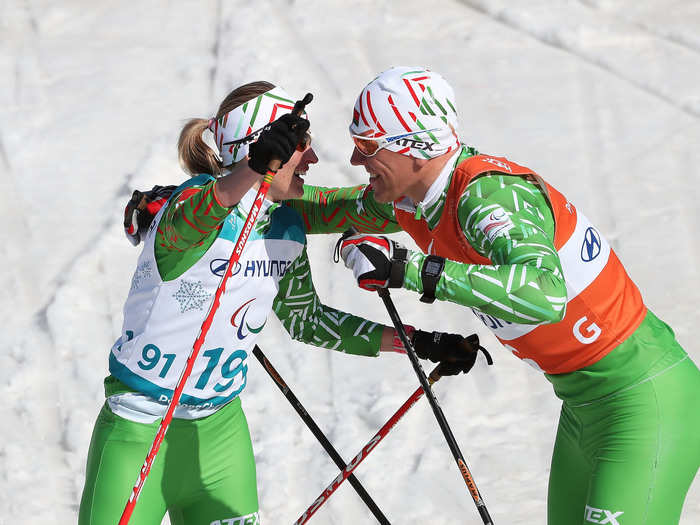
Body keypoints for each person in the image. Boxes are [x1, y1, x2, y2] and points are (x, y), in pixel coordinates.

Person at [288, 66, 700, 525]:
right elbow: (324, 209)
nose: (355, 157)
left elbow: (545, 293)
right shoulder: (410, 199)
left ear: (417, 149)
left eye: (368, 146)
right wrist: (240, 190)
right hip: (583, 408)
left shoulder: (486, 197)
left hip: (642, 401)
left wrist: (410, 269)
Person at [78, 80, 490, 525]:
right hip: (140, 429)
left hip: (219, 435)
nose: (312, 157)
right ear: (259, 150)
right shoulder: (189, 206)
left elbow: (308, 319)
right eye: (300, 144)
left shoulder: (285, 224)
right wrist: (254, 170)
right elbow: (198, 214)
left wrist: (418, 341)